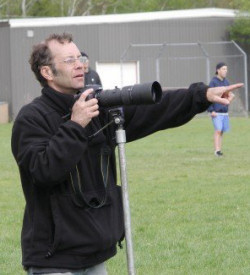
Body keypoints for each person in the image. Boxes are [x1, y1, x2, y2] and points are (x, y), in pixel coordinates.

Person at [11, 33, 243, 275]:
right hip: (54, 259)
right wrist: (75, 125)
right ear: (47, 72)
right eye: (69, 60)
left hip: (94, 254)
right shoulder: (32, 118)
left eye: (79, 57)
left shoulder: (99, 108)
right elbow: (43, 171)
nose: (80, 64)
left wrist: (201, 96)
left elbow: (156, 109)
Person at [207, 62, 235, 157]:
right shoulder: (213, 82)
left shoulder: (226, 82)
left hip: (224, 112)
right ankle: (216, 151)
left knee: (221, 131)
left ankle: (219, 150)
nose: (225, 71)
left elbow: (229, 95)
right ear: (217, 70)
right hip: (216, 112)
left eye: (226, 69)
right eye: (223, 69)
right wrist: (211, 110)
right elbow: (208, 96)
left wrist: (230, 98)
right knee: (218, 130)